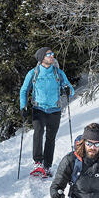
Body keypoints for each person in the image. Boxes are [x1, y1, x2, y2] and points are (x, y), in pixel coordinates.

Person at [19, 47, 75, 178]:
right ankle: (38, 163)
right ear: (41, 58)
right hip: (38, 109)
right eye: (48, 54)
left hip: (54, 110)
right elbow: (24, 90)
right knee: (38, 133)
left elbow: (70, 89)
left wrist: (67, 90)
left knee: (51, 138)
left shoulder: (58, 72)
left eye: (52, 54)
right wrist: (23, 106)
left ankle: (47, 166)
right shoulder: (33, 73)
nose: (52, 56)